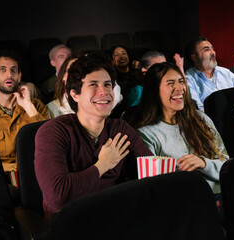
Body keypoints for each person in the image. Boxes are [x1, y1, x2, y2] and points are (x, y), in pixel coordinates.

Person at [34, 52, 152, 220]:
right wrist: (103, 165)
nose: (104, 92)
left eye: (107, 84)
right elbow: (57, 195)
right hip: (72, 222)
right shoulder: (53, 132)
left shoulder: (120, 128)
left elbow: (152, 171)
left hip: (115, 215)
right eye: (94, 85)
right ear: (74, 94)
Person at [124, 62, 229, 194]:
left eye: (181, 81)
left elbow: (226, 165)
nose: (179, 88)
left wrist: (203, 163)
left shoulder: (200, 119)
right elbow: (154, 185)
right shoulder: (146, 134)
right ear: (155, 90)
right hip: (186, 200)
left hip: (223, 193)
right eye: (171, 83)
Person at [0, 50, 49, 172]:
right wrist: (3, 167)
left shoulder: (35, 105)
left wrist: (28, 106)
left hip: (33, 173)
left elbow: (49, 145)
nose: (9, 74)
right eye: (2, 69)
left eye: (13, 70)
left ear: (19, 76)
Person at [184, 37, 234, 111]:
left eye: (212, 49)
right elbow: (198, 110)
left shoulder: (225, 72)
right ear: (194, 57)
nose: (213, 53)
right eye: (206, 50)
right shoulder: (189, 79)